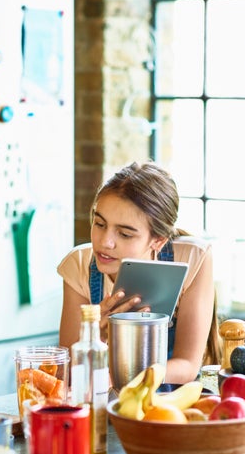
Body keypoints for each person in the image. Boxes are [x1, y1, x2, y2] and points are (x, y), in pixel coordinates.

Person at [58, 161, 220, 384]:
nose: (105, 242)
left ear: (158, 240)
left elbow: (187, 366)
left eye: (124, 234)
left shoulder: (193, 258)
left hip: (173, 404)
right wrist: (97, 337)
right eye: (99, 223)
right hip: (103, 402)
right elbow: (66, 373)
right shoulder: (78, 265)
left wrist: (119, 378)